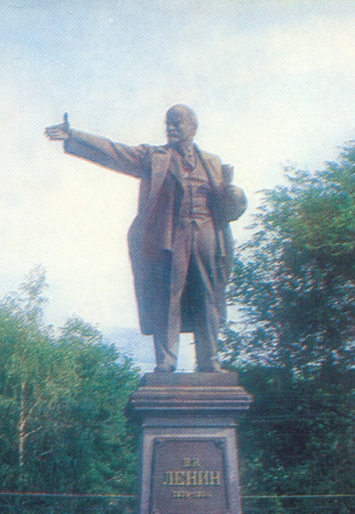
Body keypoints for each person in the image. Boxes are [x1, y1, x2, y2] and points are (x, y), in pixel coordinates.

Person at [45, 105, 246, 372]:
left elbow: (227, 206)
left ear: (193, 128)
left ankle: (209, 360)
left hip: (207, 233)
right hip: (172, 234)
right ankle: (166, 360)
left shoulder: (212, 162)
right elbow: (114, 152)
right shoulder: (155, 157)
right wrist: (74, 136)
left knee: (207, 296)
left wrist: (234, 195)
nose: (171, 128)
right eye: (168, 124)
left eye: (178, 123)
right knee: (168, 296)